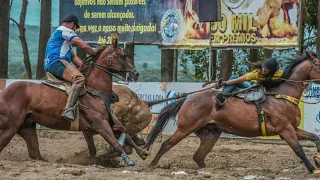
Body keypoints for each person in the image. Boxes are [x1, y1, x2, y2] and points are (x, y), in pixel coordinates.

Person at [44, 14, 96, 121]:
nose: (75, 31)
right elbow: (83, 45)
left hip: (51, 64)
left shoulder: (60, 37)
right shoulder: (65, 30)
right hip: (57, 62)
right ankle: (68, 109)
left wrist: (85, 67)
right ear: (72, 25)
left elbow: (74, 57)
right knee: (79, 78)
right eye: (76, 28)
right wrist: (95, 54)